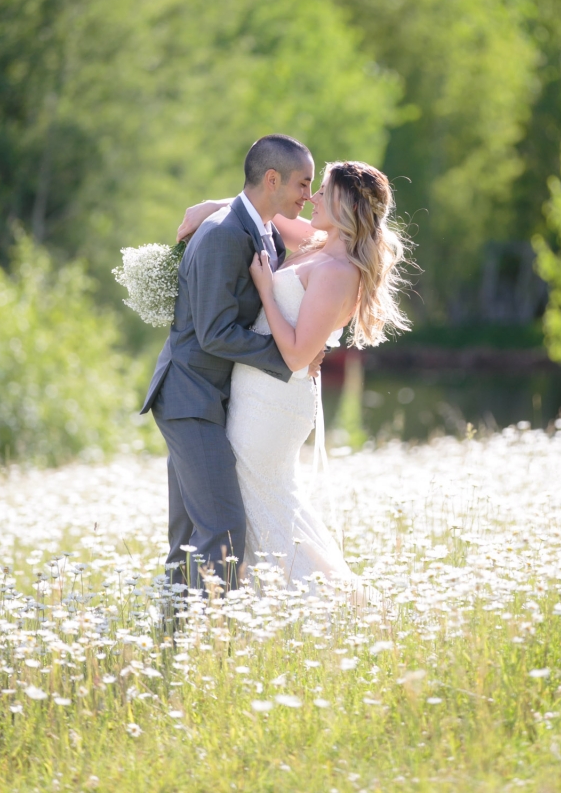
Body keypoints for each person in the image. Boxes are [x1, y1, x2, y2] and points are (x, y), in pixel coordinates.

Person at [177, 159, 410, 588]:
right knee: (262, 503)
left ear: (344, 204)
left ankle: (310, 600)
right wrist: (210, 205)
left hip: (275, 403)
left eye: (322, 191)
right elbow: (259, 209)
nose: (311, 198)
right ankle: (276, 602)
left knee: (262, 503)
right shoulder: (319, 243)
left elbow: (299, 355)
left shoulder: (339, 272)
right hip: (255, 391)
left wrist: (267, 291)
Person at [141, 134, 324, 594]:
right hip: (190, 397)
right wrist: (289, 359)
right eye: (303, 184)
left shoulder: (265, 230)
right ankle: (212, 632)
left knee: (189, 538)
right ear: (272, 179)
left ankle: (174, 632)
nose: (308, 195)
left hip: (215, 398)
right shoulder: (223, 233)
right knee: (222, 532)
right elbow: (215, 333)